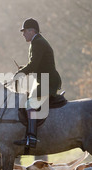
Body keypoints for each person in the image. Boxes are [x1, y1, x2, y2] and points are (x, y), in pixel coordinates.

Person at [13, 18, 62, 148]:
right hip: (44, 80)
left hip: (48, 81)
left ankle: (32, 137)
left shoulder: (38, 43)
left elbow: (33, 64)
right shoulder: (36, 42)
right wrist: (23, 68)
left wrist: (21, 73)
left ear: (32, 30)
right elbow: (36, 64)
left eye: (25, 31)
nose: (23, 34)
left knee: (30, 103)